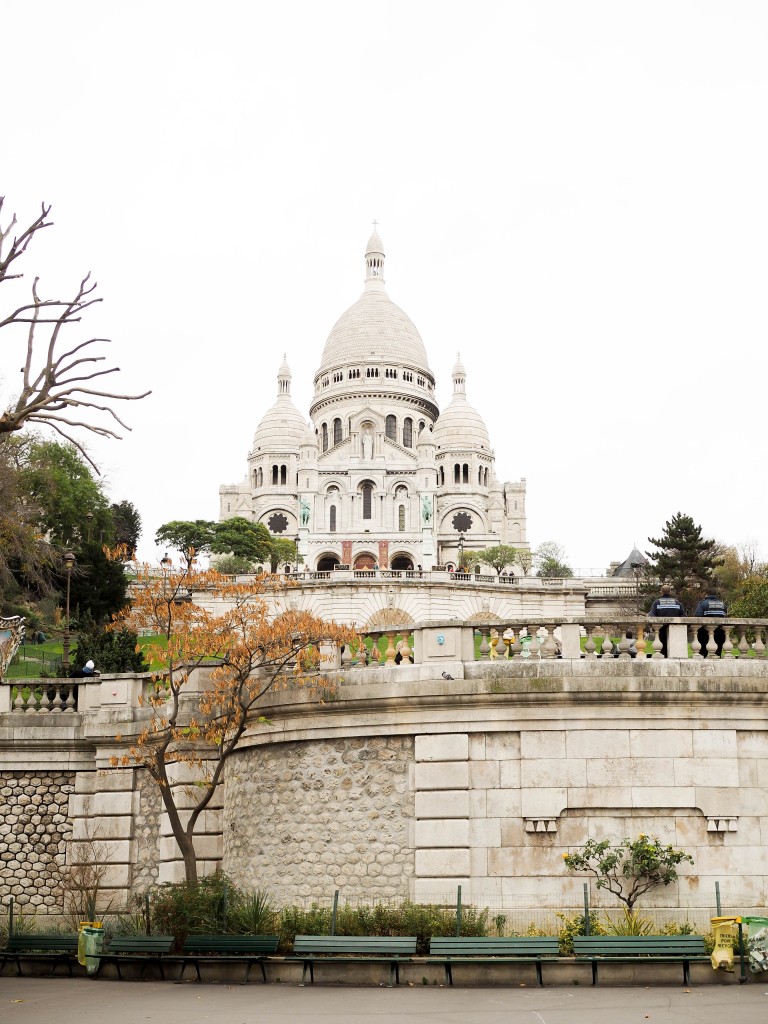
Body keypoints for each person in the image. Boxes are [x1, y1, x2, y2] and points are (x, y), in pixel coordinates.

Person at [648, 584, 684, 658]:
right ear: (670, 592)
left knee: (663, 650)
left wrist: (653, 627)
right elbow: (683, 616)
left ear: (661, 592)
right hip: (675, 630)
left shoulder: (657, 602)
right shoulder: (677, 602)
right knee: (674, 651)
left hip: (661, 629)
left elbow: (652, 616)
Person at [694, 590, 727, 657]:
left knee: (703, 653)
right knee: (717, 653)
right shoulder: (722, 605)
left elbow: (698, 617)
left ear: (706, 595)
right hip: (720, 633)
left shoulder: (703, 604)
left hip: (704, 633)